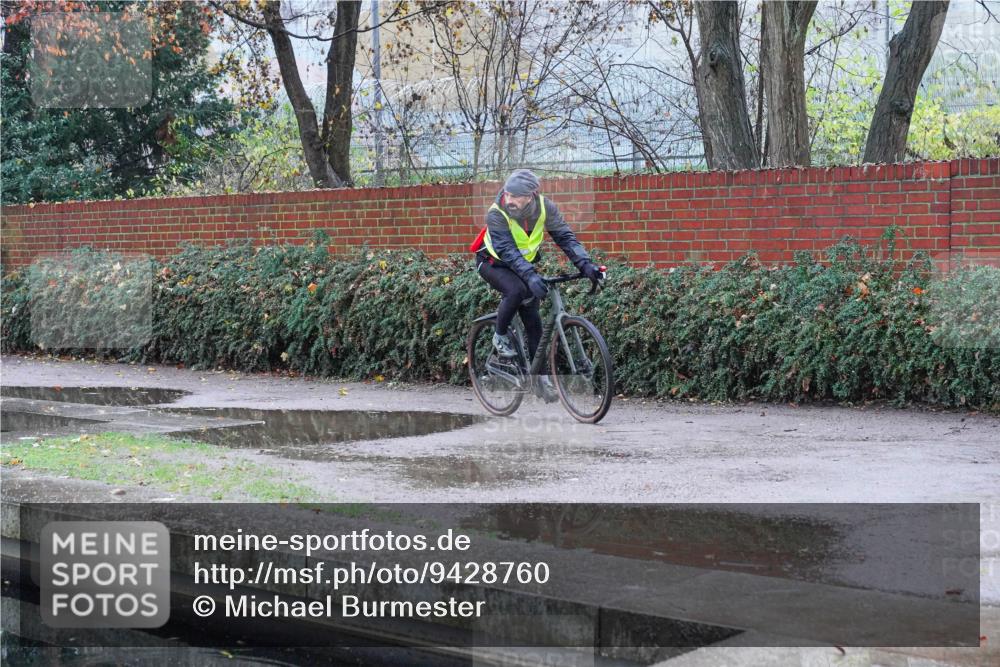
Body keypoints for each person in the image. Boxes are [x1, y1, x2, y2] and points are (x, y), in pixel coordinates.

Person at [469, 169, 602, 402]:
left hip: (522, 266)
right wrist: (530, 276)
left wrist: (585, 265)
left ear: (530, 196)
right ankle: (499, 336)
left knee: (534, 321)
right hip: (492, 263)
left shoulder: (545, 208)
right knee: (517, 290)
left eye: (515, 196)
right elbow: (507, 251)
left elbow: (565, 238)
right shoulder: (497, 212)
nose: (508, 199)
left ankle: (540, 380)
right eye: (507, 194)